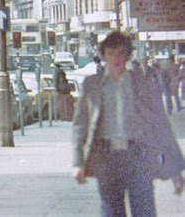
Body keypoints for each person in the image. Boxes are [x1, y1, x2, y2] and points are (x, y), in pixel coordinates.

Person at [72, 31, 184, 217]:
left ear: (128, 55)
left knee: (145, 211)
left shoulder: (142, 83)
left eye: (121, 53)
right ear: (104, 55)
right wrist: (78, 163)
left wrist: (174, 169)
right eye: (111, 53)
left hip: (138, 157)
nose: (116, 58)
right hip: (106, 159)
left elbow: (160, 125)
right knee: (111, 212)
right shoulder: (92, 85)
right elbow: (80, 126)